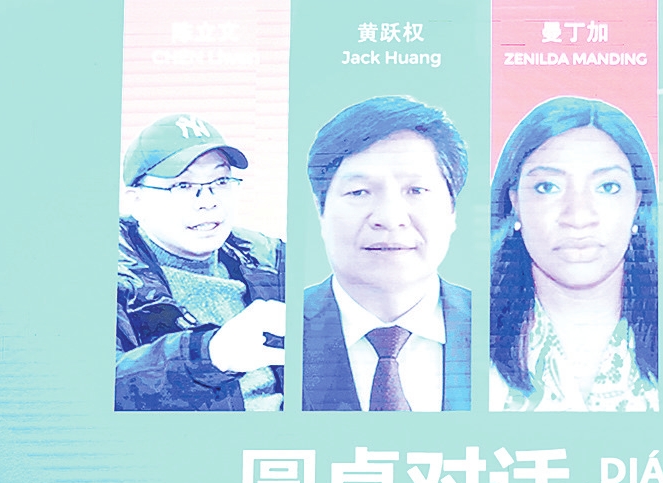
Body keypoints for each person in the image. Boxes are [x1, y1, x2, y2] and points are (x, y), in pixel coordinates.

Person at [488, 96, 659, 411]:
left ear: (637, 203)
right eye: (547, 187)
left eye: (607, 187)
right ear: (515, 203)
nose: (578, 216)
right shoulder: (469, 339)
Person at [302, 96, 471, 411]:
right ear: (320, 210)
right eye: (359, 192)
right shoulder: (279, 331)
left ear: (452, 210)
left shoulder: (499, 328)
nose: (390, 218)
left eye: (416, 190)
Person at [116, 113, 286, 411]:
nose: (208, 201)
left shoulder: (270, 258)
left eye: (220, 181)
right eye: (183, 185)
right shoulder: (107, 277)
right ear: (135, 200)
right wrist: (208, 355)